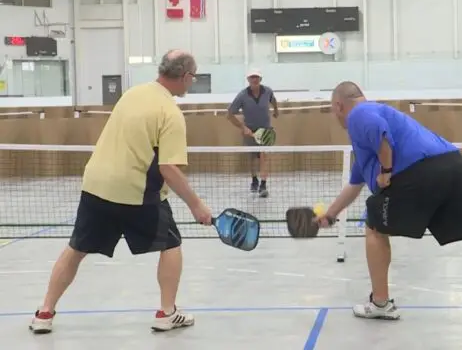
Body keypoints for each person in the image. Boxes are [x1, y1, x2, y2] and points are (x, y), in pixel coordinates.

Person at [315, 81, 462, 320]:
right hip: (453, 165)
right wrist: (330, 215)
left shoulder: (360, 113)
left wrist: (386, 172)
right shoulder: (366, 139)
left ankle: (380, 302)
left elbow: (381, 136)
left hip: (416, 172)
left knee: (375, 227)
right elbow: (354, 185)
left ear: (338, 105)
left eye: (332, 110)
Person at [29, 50, 213, 334]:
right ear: (186, 76)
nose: (192, 83)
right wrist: (197, 205)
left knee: (76, 248)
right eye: (193, 78)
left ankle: (44, 313)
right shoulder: (171, 113)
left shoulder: (132, 94)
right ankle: (166, 312)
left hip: (96, 185)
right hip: (135, 191)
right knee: (171, 245)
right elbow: (169, 169)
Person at [227, 69, 279, 198]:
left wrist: (276, 110)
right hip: (250, 132)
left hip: (266, 131)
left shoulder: (268, 91)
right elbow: (230, 114)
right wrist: (243, 127)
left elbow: (273, 100)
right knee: (252, 158)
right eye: (252, 77)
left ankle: (263, 184)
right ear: (248, 80)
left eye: (257, 77)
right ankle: (254, 180)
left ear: (260, 79)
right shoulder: (242, 95)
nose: (254, 80)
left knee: (263, 157)